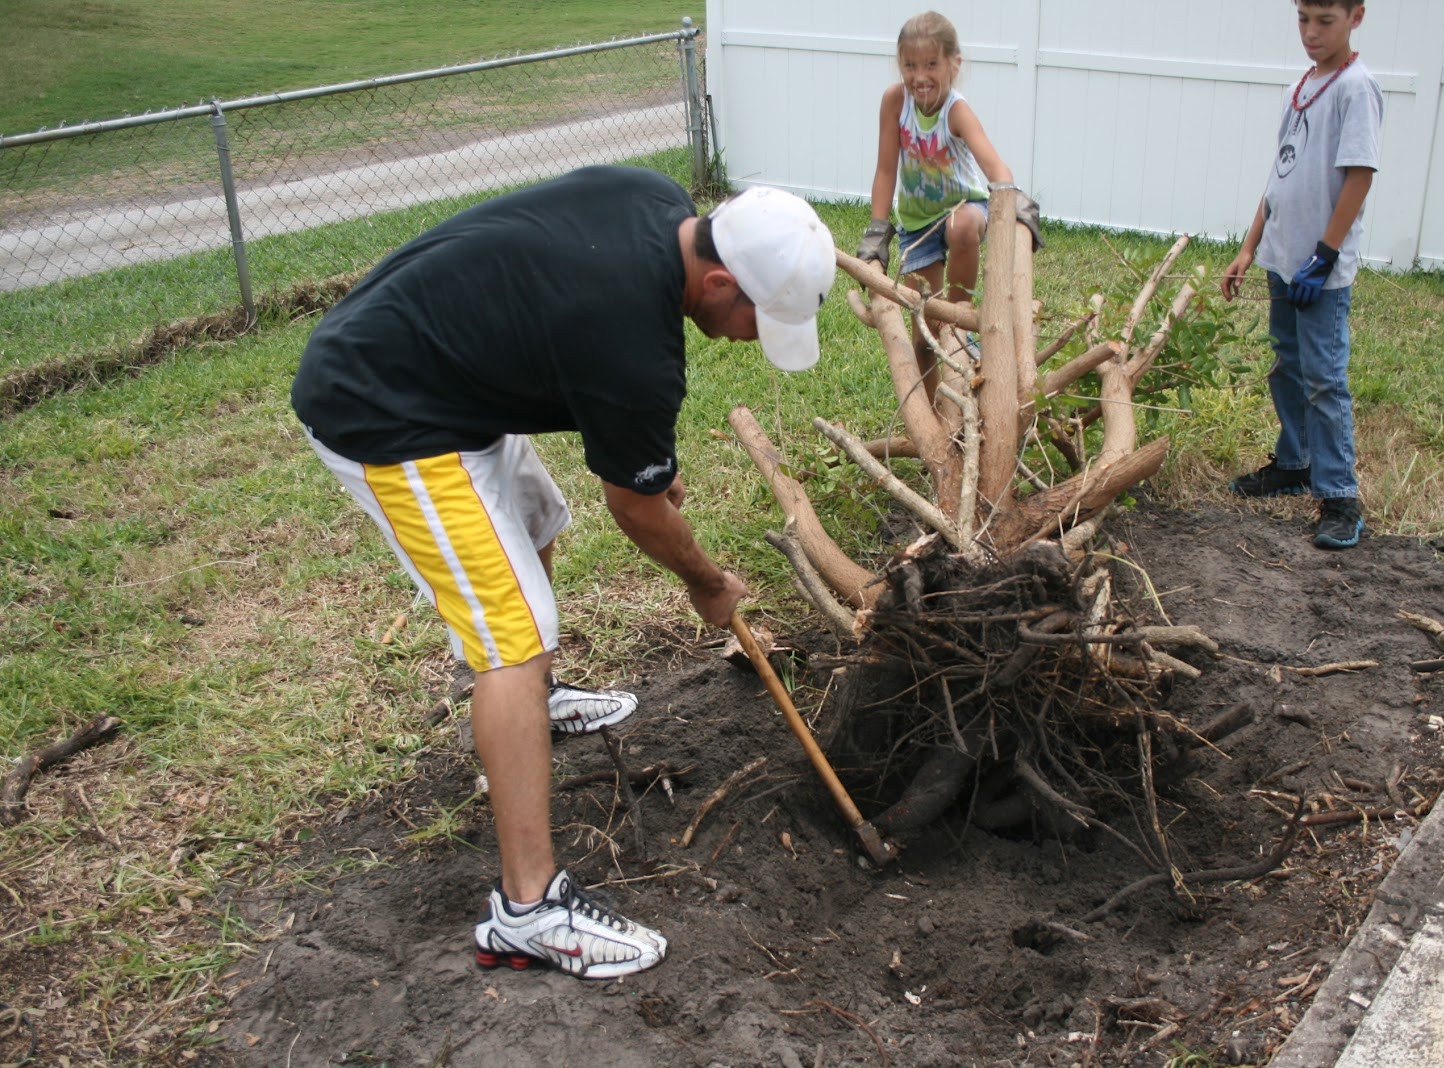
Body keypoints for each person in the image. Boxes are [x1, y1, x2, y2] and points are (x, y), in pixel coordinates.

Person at [290, 165, 836, 979]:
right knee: (512, 633)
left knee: (539, 517)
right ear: (719, 279)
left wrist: (644, 462)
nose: (756, 336)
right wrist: (706, 581)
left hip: (445, 368)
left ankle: (533, 709)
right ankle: (529, 910)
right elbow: (637, 509)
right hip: (386, 404)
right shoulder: (632, 342)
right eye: (759, 317)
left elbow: (590, 372)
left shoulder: (654, 202)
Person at [1220, 0, 1382, 550]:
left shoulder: (1355, 88)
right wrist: (1249, 247)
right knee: (1286, 367)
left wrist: (1326, 254)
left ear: (1356, 16)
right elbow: (1280, 175)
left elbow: (1359, 176)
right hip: (1282, 262)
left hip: (1319, 271)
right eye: (1303, 20)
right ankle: (1296, 462)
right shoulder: (1304, 87)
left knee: (1323, 380)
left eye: (1325, 21)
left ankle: (1339, 497)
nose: (1311, 33)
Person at [856, 10, 1041, 401]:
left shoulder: (955, 110)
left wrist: (1013, 195)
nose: (919, 76)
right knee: (924, 331)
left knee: (958, 242)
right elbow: (886, 169)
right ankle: (933, 411)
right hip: (916, 225)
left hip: (966, 209)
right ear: (899, 65)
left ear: (954, 64)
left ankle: (961, 321)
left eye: (930, 64)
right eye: (909, 65)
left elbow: (992, 162)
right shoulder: (895, 102)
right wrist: (877, 228)